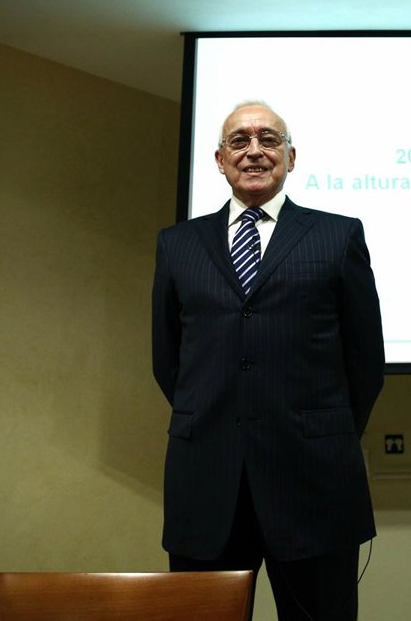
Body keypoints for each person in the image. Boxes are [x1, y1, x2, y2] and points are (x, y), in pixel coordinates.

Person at [152, 101, 385, 621]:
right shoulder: (177, 245)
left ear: (290, 157)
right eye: (239, 141)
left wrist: (323, 431)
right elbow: (168, 361)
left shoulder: (338, 235)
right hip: (206, 484)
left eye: (269, 139)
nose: (254, 150)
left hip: (316, 484)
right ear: (219, 160)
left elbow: (366, 361)